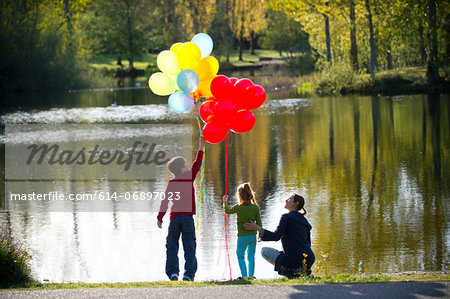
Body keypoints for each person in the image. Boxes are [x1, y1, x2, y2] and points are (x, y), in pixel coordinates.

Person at [157, 136, 206, 282]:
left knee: (172, 247)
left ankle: (173, 273)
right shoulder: (189, 177)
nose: (188, 165)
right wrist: (201, 145)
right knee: (189, 248)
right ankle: (188, 275)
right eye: (186, 164)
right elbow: (198, 163)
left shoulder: (171, 183)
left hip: (174, 219)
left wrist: (160, 217)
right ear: (183, 168)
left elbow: (165, 201)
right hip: (187, 219)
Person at [243, 193, 315, 278]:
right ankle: (299, 272)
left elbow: (276, 236)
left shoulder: (286, 217)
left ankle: (289, 272)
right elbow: (308, 244)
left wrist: (258, 228)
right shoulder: (306, 223)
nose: (286, 200)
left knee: (264, 251)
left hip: (294, 259)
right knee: (286, 255)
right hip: (309, 258)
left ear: (296, 204)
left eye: (289, 199)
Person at [222, 183, 262, 280]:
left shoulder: (238, 207)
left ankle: (244, 276)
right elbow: (259, 224)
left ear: (240, 196)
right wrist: (260, 235)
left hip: (242, 237)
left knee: (240, 256)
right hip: (252, 236)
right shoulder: (255, 208)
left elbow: (227, 211)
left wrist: (225, 202)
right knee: (251, 256)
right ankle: (251, 276)